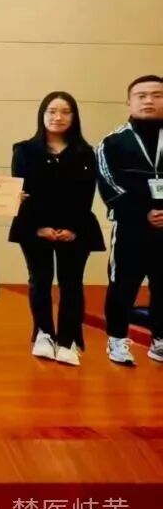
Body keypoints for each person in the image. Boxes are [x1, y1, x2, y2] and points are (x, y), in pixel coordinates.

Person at [10, 92, 104, 366]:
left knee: (71, 283)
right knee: (39, 280)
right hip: (35, 227)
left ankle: (68, 340)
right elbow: (22, 193)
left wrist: (72, 229)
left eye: (65, 112)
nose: (58, 117)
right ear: (42, 115)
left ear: (74, 117)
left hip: (75, 229)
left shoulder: (85, 153)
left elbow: (86, 196)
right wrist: (39, 227)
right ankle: (43, 334)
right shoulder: (24, 150)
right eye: (51, 111)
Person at [97, 74, 163, 366]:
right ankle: (117, 340)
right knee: (122, 286)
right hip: (130, 229)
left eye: (156, 95)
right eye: (141, 95)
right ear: (129, 102)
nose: (148, 100)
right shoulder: (112, 142)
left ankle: (159, 341)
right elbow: (108, 185)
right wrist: (143, 212)